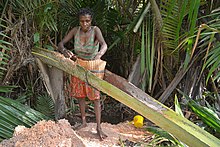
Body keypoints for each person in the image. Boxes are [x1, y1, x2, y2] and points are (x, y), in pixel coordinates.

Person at [58, 8, 107, 140]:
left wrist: (99, 54)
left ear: (91, 21)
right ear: (79, 21)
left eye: (87, 21)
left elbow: (104, 45)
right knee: (80, 95)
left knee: (95, 97)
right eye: (82, 21)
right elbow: (61, 44)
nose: (85, 24)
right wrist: (64, 51)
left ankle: (98, 127)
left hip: (93, 66)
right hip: (78, 65)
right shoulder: (75, 31)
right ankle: (83, 121)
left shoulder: (95, 30)